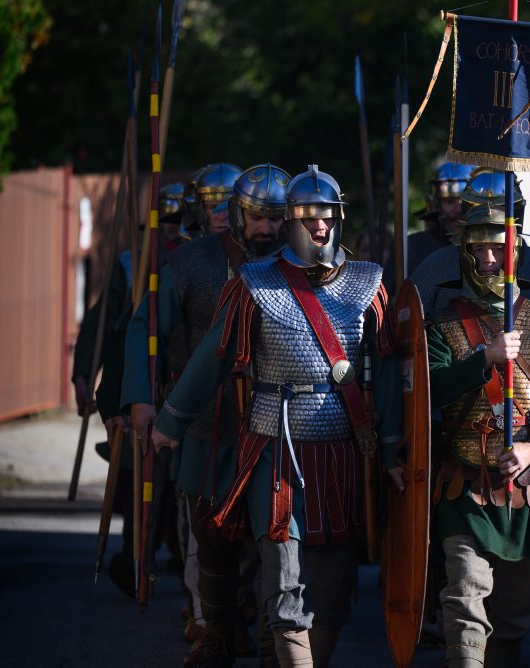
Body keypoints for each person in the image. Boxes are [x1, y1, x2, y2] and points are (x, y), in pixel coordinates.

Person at [150, 164, 404, 668]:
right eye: (309, 218)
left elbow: (393, 377)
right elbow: (213, 358)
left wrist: (393, 448)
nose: (320, 227)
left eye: (327, 217)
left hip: (343, 450)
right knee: (283, 577)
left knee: (332, 585)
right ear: (290, 221)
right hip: (275, 447)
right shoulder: (254, 285)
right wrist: (170, 420)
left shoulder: (369, 284)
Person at [123, 163, 290, 667]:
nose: (264, 227)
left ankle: (268, 639)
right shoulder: (192, 263)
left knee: (272, 543)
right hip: (207, 423)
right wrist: (141, 397)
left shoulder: (300, 267)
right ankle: (216, 632)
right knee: (210, 536)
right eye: (255, 216)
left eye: (274, 217)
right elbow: (145, 329)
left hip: (275, 428)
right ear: (238, 214)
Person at [425, 204, 530, 666]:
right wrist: (485, 360)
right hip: (463, 486)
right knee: (463, 599)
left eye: (498, 248)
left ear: (515, 252)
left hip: (523, 490)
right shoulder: (444, 326)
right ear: (465, 253)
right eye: (479, 249)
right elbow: (429, 390)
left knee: (515, 613)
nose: (489, 259)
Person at [72, 182, 187, 597]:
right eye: (165, 221)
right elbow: (107, 329)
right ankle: (136, 560)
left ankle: (186, 567)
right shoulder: (131, 266)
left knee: (183, 488)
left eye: (180, 221)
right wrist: (89, 377)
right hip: (145, 389)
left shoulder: (197, 261)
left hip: (187, 387)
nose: (172, 230)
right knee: (140, 482)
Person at [408, 167, 530, 331]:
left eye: (501, 213)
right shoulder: (437, 267)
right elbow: (410, 334)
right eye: (483, 213)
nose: (491, 221)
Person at [383, 162, 476, 292]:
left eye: (465, 202)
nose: (458, 209)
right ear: (436, 204)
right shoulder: (412, 247)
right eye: (449, 201)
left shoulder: (492, 250)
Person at [189, 162, 243, 236]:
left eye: (228, 207)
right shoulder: (191, 247)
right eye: (213, 207)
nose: (221, 217)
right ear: (201, 211)